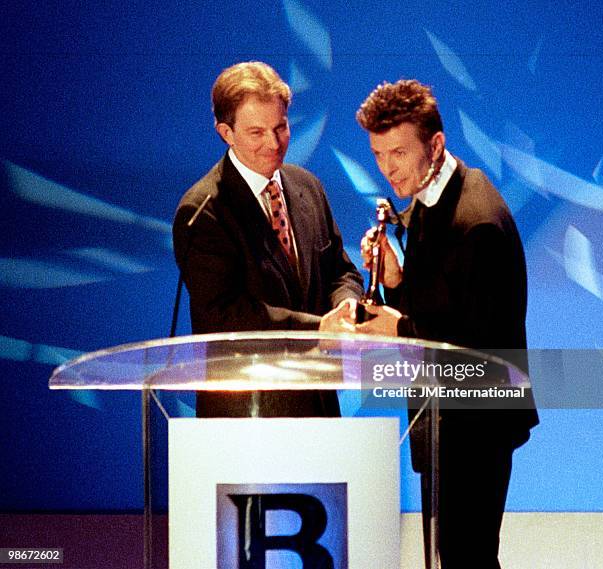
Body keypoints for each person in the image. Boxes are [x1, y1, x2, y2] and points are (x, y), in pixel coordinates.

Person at [355, 79, 539, 568]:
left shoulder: (475, 219)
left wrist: (399, 329)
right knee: (456, 553)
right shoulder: (433, 196)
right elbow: (441, 301)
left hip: (478, 420)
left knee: (467, 556)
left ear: (435, 144)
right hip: (447, 416)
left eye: (398, 152)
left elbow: (475, 345)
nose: (387, 168)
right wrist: (394, 280)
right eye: (377, 154)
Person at [173, 61, 362, 418]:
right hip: (248, 414)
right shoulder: (204, 210)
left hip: (318, 404)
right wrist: (318, 328)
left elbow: (341, 270)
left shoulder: (308, 186)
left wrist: (346, 307)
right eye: (257, 133)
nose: (274, 144)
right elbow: (227, 315)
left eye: (281, 127)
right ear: (226, 132)